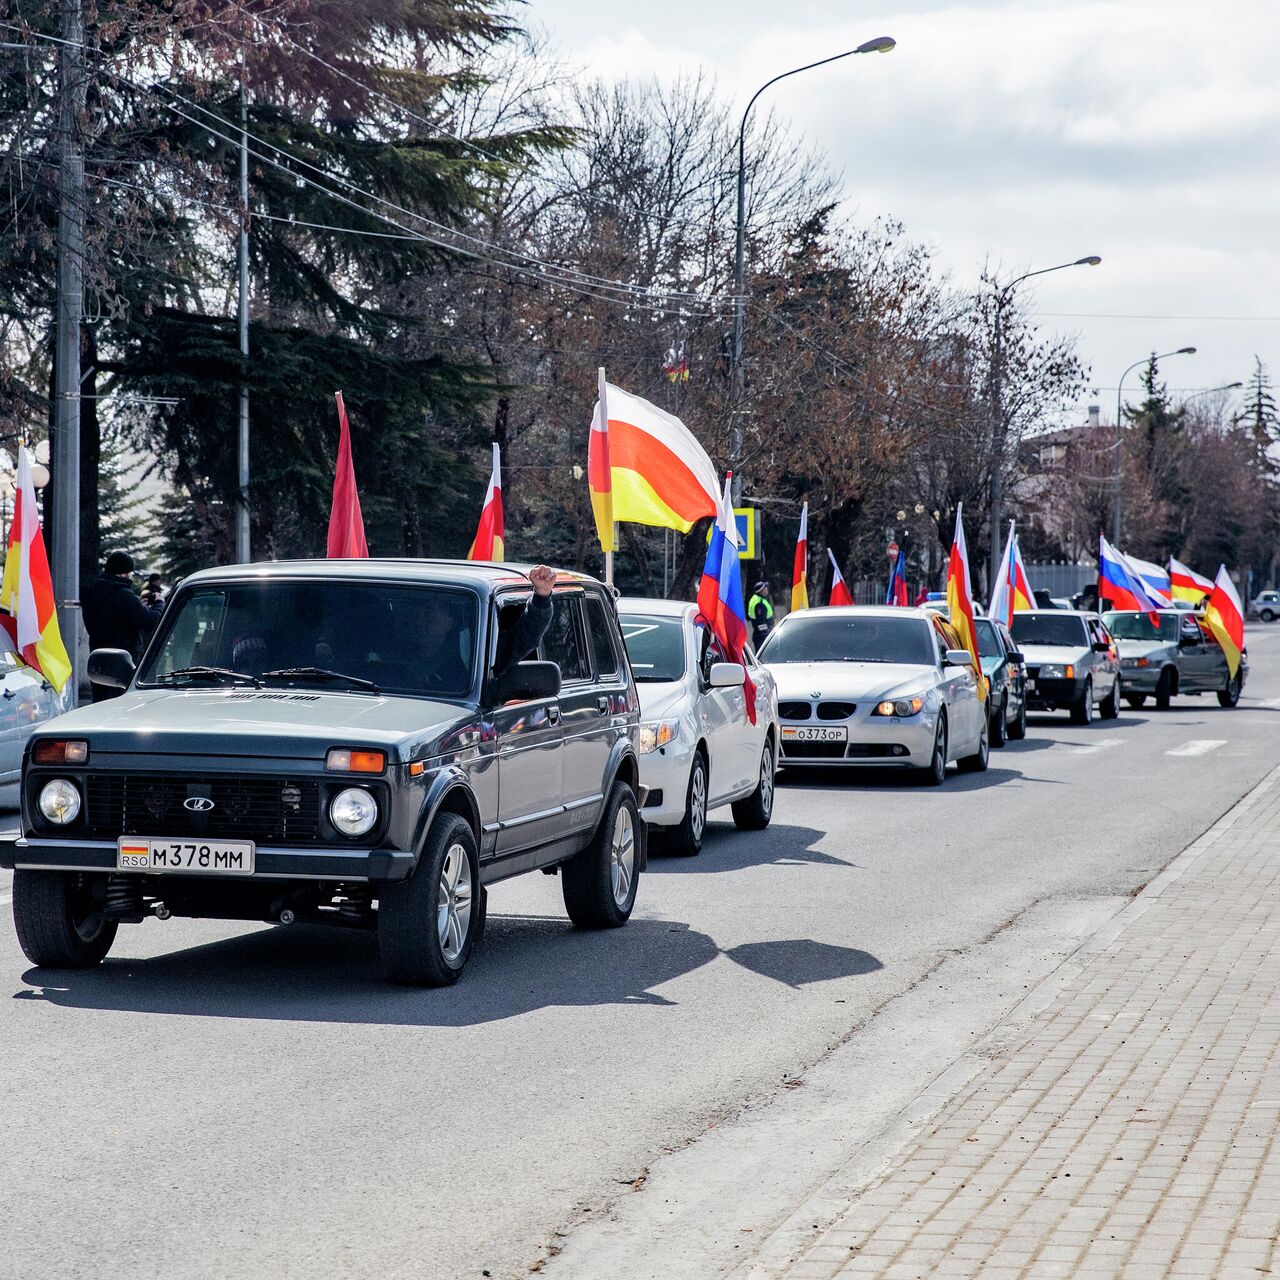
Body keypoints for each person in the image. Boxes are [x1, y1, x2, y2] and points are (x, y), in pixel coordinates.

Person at [83, 550, 165, 700]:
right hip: (123, 661)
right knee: (122, 703)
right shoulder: (124, 595)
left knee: (100, 704)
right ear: (123, 574)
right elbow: (150, 621)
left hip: (98, 659)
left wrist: (140, 606)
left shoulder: (92, 592)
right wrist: (159, 604)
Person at [747, 580, 774, 646]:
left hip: (759, 635)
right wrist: (767, 634)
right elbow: (761, 622)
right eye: (765, 588)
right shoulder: (760, 603)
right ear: (761, 590)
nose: (767, 589)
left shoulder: (756, 599)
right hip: (762, 636)